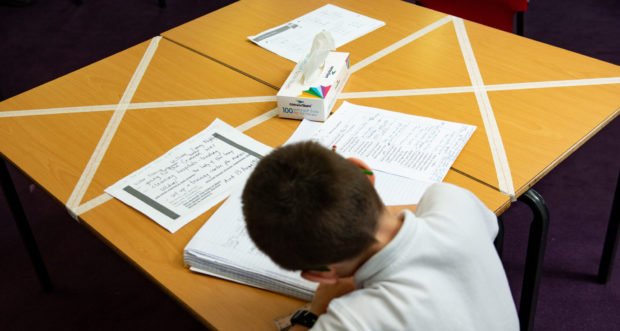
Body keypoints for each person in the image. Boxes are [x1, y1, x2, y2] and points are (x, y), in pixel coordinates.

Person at [242, 141, 519, 330]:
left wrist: (314, 311)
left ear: (321, 275)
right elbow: (489, 226)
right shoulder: (452, 199)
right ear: (365, 173)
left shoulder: (351, 321)